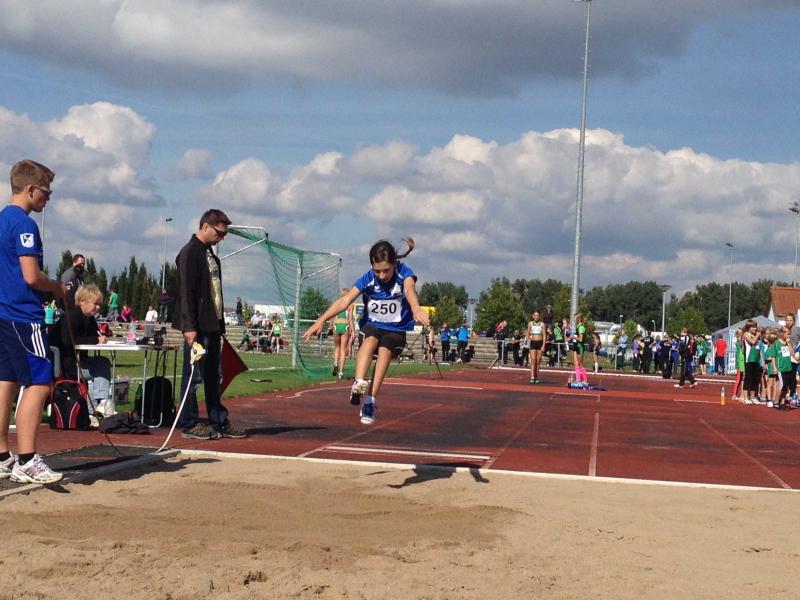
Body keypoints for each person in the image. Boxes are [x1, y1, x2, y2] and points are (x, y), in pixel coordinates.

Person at [303, 238, 430, 425]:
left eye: (386, 270)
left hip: (396, 329)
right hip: (372, 325)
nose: (381, 275)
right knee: (370, 339)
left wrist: (416, 308)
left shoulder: (405, 273)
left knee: (386, 349)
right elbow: (345, 301)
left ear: (394, 264)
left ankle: (370, 401)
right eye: (377, 271)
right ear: (372, 266)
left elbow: (410, 291)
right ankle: (358, 382)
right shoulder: (368, 278)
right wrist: (321, 320)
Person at [0, 159, 65, 483]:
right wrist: (56, 287)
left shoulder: (2, 219)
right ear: (29, 189)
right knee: (39, 383)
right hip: (23, 315)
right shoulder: (24, 225)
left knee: (6, 380)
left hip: (3, 312)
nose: (47, 198)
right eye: (45, 192)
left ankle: (2, 456)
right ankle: (27, 459)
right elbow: (31, 276)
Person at [173, 208, 246, 440]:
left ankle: (218, 420)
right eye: (219, 233)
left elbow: (215, 293)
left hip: (213, 325)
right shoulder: (189, 253)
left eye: (224, 235)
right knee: (193, 375)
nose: (221, 238)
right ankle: (189, 422)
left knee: (214, 376)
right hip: (197, 326)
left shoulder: (210, 255)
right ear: (205, 226)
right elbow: (186, 292)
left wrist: (220, 326)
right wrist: (189, 326)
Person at [51, 284, 113, 416]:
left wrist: (101, 337)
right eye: (95, 304)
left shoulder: (90, 319)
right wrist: (96, 340)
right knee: (101, 365)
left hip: (79, 361)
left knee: (102, 363)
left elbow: (95, 335)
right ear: (82, 302)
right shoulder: (71, 316)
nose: (98, 307)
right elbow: (69, 340)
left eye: (99, 304)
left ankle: (96, 407)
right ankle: (100, 403)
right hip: (66, 365)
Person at [329, 288, 355, 378]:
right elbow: (350, 319)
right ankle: (340, 372)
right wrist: (353, 330)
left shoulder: (336, 303)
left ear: (341, 294)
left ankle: (336, 362)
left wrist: (330, 327)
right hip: (345, 326)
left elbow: (332, 316)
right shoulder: (351, 305)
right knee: (343, 349)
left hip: (336, 325)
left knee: (337, 347)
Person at [571, 313, 589, 386]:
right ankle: (578, 380)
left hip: (580, 347)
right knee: (576, 364)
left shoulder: (581, 327)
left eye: (575, 318)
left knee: (580, 364)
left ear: (579, 319)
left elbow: (581, 339)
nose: (574, 319)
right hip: (576, 346)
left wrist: (573, 337)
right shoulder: (577, 327)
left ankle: (585, 381)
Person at [527, 310, 545, 384]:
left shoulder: (542, 324)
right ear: (533, 316)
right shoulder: (530, 323)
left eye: (538, 316)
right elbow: (527, 333)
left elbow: (544, 335)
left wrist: (543, 345)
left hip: (540, 343)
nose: (536, 317)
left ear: (539, 316)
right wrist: (529, 336)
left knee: (538, 361)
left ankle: (536, 377)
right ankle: (532, 377)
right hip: (533, 343)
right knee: (533, 360)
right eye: (535, 315)